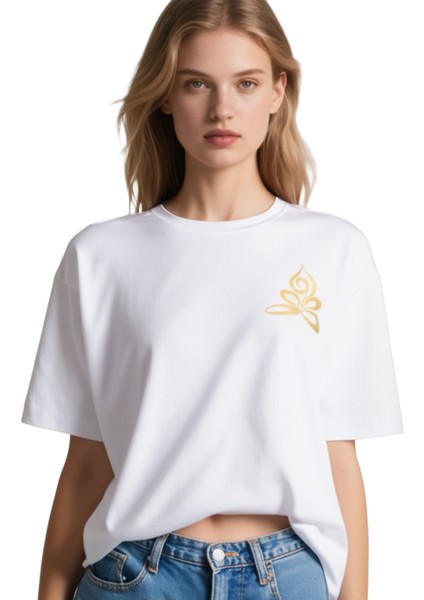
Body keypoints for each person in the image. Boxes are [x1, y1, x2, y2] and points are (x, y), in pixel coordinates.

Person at [22, 1, 403, 599]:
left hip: (287, 577)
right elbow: (87, 462)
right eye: (196, 83)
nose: (222, 108)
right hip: (136, 577)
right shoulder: (100, 257)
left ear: (278, 91)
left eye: (245, 83)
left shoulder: (335, 250)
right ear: (165, 95)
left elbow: (338, 454)